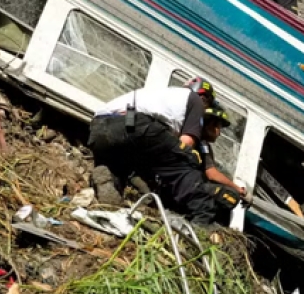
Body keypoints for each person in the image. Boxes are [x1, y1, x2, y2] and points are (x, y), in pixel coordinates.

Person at [87, 76, 220, 225]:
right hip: (135, 124)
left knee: (123, 163)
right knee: (185, 159)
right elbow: (186, 142)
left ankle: (110, 185)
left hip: (99, 127)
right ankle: (202, 216)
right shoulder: (195, 100)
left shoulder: (161, 93)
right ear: (204, 97)